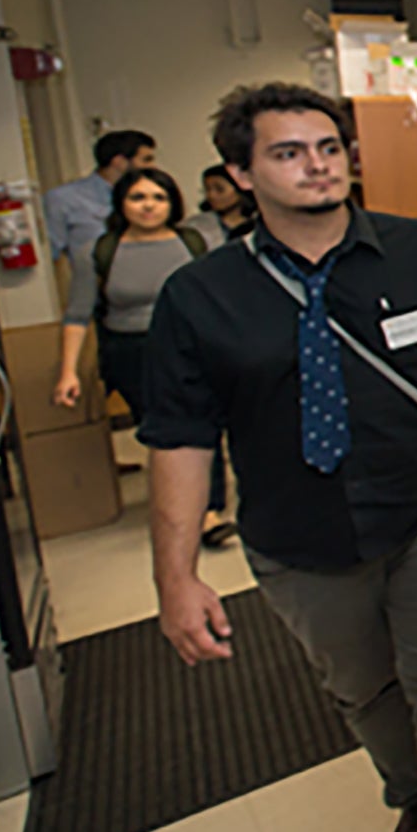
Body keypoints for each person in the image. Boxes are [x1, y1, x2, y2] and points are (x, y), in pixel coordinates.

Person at [136, 83, 417, 832]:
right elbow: (181, 439)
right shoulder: (200, 296)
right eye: (288, 153)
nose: (317, 166)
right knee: (363, 690)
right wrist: (177, 575)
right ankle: (412, 797)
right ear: (240, 172)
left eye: (328, 147)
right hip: (298, 536)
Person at [52, 168, 235, 547]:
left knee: (203, 423)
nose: (149, 206)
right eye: (138, 197)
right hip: (133, 351)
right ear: (121, 204)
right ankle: (183, 504)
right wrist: (68, 372)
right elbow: (78, 313)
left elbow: (226, 299)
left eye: (158, 197)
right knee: (165, 430)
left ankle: (208, 512)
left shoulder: (197, 241)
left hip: (193, 345)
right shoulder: (98, 251)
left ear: (173, 203)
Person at [44, 129, 158, 267]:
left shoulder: (152, 195)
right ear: (119, 162)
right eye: (146, 160)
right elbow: (51, 254)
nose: (152, 167)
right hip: (97, 282)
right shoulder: (64, 198)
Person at [183, 162, 256, 249]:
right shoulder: (193, 226)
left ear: (240, 189)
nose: (211, 195)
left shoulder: (260, 221)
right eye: (207, 190)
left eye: (219, 189)